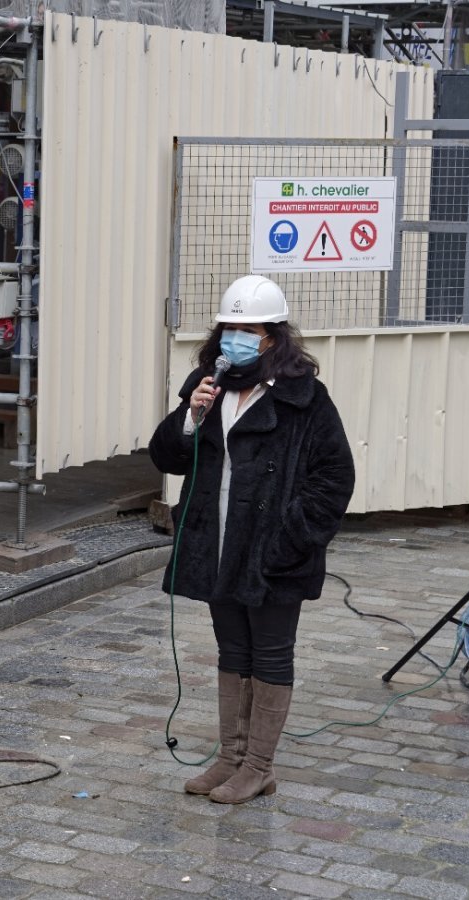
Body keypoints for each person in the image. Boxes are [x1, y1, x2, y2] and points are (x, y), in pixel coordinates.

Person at [148, 275, 355, 805]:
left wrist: (291, 537)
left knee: (270, 653)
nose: (236, 338)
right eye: (229, 328)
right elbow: (168, 456)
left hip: (274, 553)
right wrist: (191, 417)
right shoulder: (208, 386)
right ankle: (230, 757)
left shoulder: (303, 398)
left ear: (272, 336)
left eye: (249, 329)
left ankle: (259, 765)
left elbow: (334, 477)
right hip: (216, 546)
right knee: (231, 649)